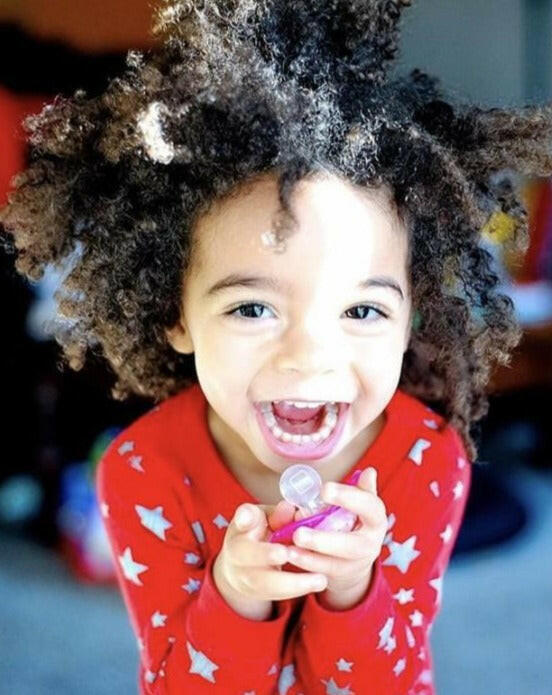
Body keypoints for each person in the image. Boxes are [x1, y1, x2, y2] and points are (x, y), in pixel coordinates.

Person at [1, 1, 549, 692]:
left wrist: (354, 588)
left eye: (362, 309)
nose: (308, 357)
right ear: (176, 314)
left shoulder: (426, 461)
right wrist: (234, 596)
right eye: (253, 307)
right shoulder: (142, 471)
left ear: (411, 316)